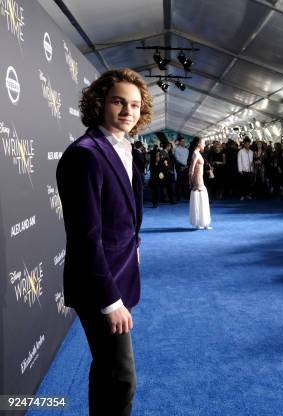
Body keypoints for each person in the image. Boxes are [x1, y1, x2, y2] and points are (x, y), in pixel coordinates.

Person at [56, 68, 152, 416]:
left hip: (120, 270)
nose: (128, 111)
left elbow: (126, 215)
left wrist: (134, 248)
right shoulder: (86, 154)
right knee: (122, 376)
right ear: (99, 104)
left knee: (108, 370)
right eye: (118, 102)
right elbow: (85, 237)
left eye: (135, 105)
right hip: (99, 283)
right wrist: (111, 301)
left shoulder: (128, 150)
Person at [188, 136, 212, 229]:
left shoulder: (197, 153)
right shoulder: (195, 154)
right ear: (199, 144)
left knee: (201, 199)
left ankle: (201, 222)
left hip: (199, 179)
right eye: (203, 143)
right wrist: (191, 181)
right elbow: (191, 169)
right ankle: (201, 222)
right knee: (201, 200)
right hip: (198, 180)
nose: (204, 145)